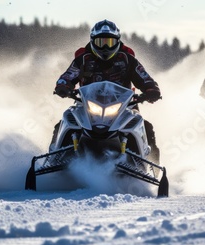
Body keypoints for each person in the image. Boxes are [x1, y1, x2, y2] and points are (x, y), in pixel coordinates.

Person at [52, 19, 162, 163]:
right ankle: (54, 157)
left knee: (145, 126)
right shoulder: (83, 59)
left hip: (124, 107)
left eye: (109, 42)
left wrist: (151, 90)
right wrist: (63, 86)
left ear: (117, 42)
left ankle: (151, 165)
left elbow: (143, 76)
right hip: (87, 105)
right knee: (67, 119)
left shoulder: (127, 60)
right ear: (92, 41)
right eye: (100, 42)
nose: (104, 47)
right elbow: (68, 75)